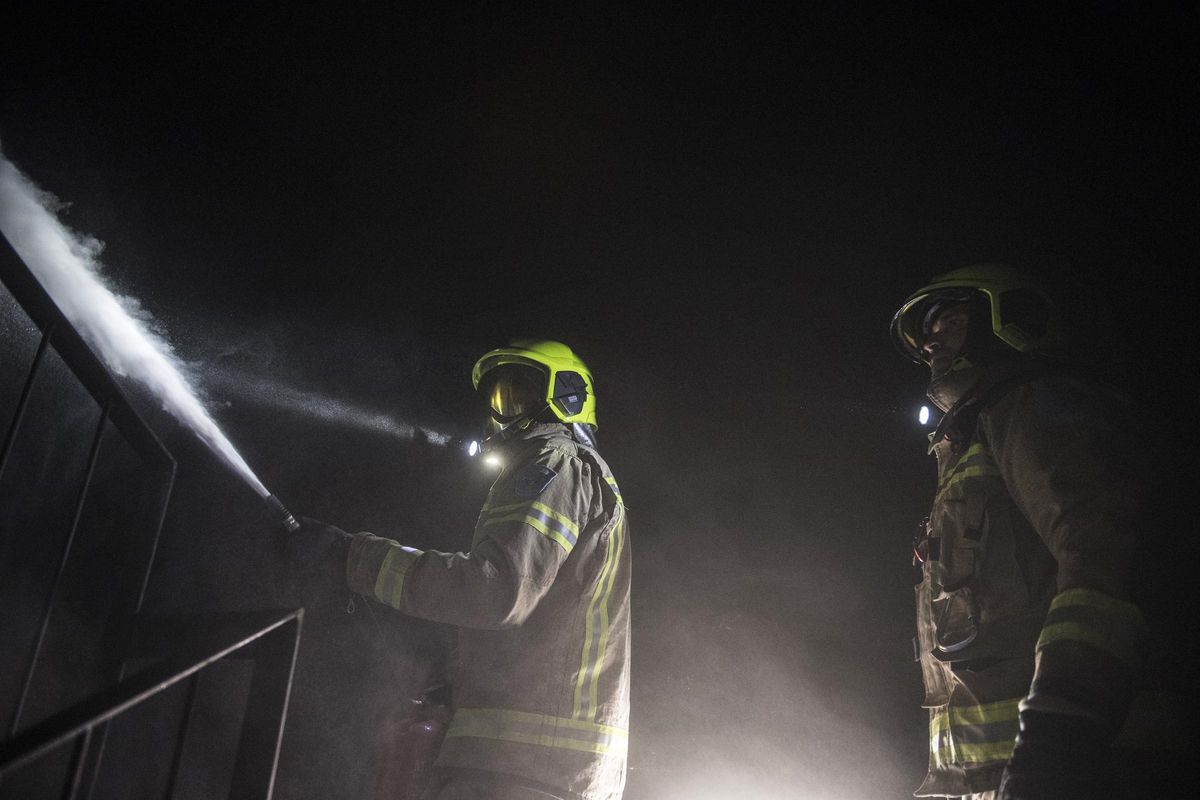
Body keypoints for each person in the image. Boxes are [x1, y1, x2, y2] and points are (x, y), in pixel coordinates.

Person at [890, 265, 1192, 799]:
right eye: (927, 339)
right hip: (991, 780)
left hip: (1080, 772)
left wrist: (1057, 741)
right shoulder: (966, 447)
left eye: (951, 323)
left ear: (1008, 320)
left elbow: (1103, 563)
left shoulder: (1035, 406)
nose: (934, 346)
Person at [282, 339, 631, 800]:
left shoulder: (556, 461)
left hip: (524, 771)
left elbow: (494, 592)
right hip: (536, 771)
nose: (504, 410)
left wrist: (349, 557)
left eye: (518, 392)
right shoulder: (569, 471)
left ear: (567, 395)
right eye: (498, 397)